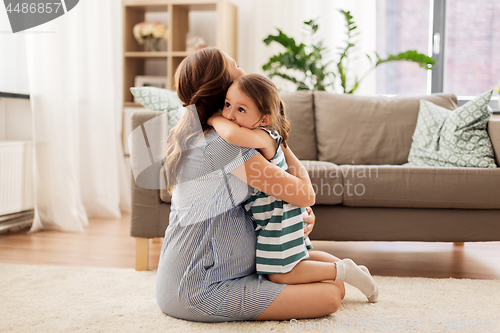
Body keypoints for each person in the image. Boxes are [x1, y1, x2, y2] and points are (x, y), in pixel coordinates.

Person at [155, 47, 374, 323]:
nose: (243, 72)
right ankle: (343, 271)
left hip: (218, 271)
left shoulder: (214, 134)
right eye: (235, 66)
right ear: (223, 89)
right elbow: (305, 193)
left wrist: (272, 142)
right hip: (200, 288)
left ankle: (344, 271)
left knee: (327, 280)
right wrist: (273, 142)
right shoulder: (226, 146)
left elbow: (282, 196)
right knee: (331, 294)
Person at [207, 73, 378, 300]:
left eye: (241, 110)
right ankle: (350, 269)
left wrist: (211, 119)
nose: (229, 114)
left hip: (277, 217)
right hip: (283, 211)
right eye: (227, 105)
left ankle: (343, 271)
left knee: (280, 274)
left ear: (264, 119)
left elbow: (231, 134)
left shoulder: (264, 136)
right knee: (303, 259)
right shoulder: (266, 135)